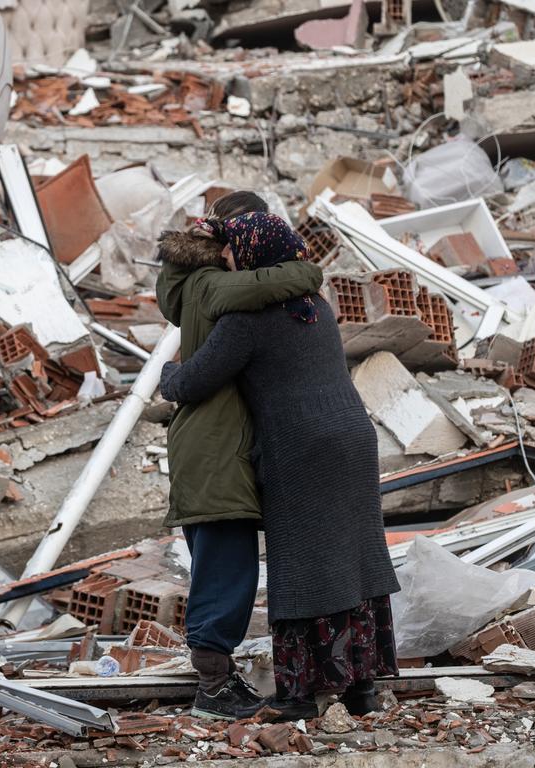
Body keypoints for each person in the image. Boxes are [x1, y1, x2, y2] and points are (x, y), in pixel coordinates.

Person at [160, 212, 400, 719]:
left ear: (251, 254)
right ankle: (361, 690)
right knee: (353, 559)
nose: (225, 257)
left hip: (301, 446)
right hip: (355, 437)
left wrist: (167, 372)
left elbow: (192, 383)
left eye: (231, 249)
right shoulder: (318, 305)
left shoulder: (248, 320)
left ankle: (297, 696)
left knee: (302, 567)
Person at [156, 193, 324, 720]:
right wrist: (308, 271)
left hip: (213, 446)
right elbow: (269, 282)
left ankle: (216, 681)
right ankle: (212, 689)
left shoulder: (189, 285)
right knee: (226, 573)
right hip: (215, 450)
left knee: (223, 567)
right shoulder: (209, 286)